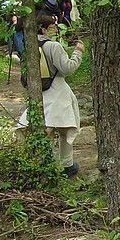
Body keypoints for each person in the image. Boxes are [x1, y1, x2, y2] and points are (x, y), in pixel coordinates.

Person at [16, 11, 84, 177]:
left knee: (44, 128)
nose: (55, 29)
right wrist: (78, 52)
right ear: (44, 30)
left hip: (40, 93)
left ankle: (42, 164)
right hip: (58, 92)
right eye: (52, 27)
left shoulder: (30, 46)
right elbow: (67, 68)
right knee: (65, 129)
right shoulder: (53, 46)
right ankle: (66, 165)